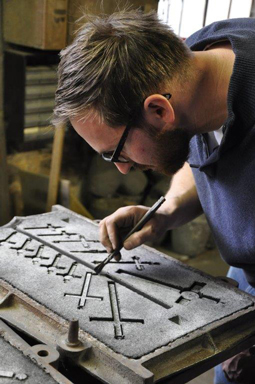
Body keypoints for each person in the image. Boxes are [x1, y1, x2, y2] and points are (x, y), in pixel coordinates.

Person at [53, 10, 255, 384]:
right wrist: (168, 211)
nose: (123, 170)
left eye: (117, 152)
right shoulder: (193, 64)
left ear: (158, 110)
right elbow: (203, 151)